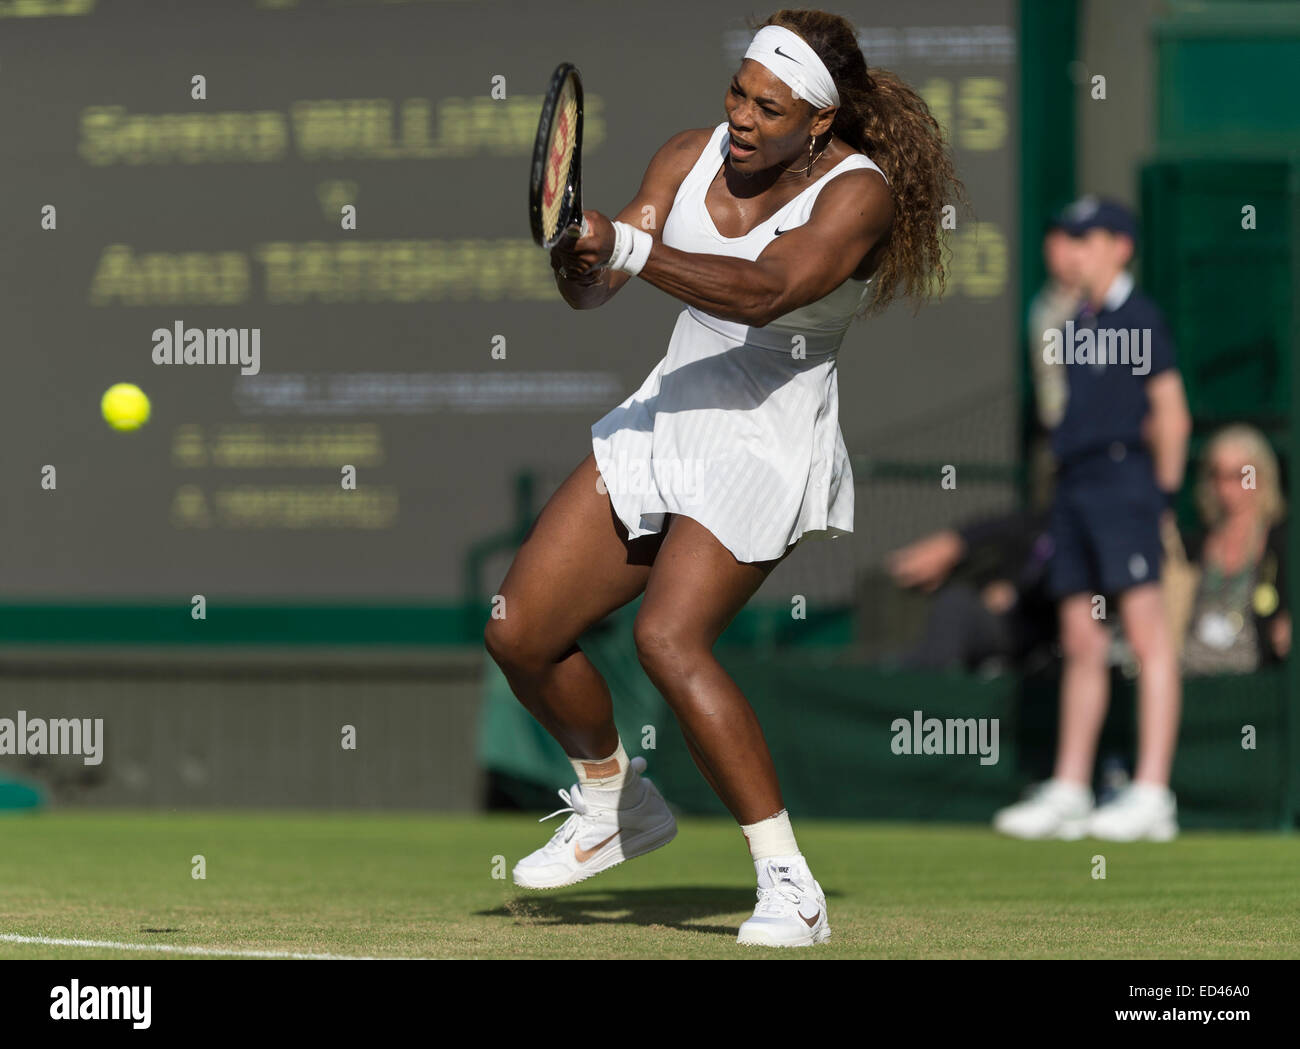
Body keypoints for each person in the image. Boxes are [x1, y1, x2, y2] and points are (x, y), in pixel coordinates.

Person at [484, 10, 961, 946]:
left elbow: (767, 289)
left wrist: (624, 244)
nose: (741, 114)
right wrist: (578, 255)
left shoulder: (857, 195)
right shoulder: (687, 154)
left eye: (767, 105)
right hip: (671, 411)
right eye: (737, 91)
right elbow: (599, 286)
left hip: (766, 436)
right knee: (520, 631)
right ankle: (616, 801)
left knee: (669, 638)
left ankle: (791, 884)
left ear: (818, 121)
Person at [993, 197, 1192, 842]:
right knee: (1082, 639)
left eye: (1086, 239)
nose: (1072, 251)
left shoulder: (1141, 316)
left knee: (1146, 635)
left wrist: (1159, 499)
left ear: (1120, 246)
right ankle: (1072, 787)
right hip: (1075, 488)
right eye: (1068, 238)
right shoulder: (1075, 323)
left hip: (1125, 485)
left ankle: (1152, 793)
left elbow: (1171, 413)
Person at [1178, 424, 1289, 675]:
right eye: (1218, 475)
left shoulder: (1283, 542)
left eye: (1239, 475)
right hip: (1192, 673)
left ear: (1262, 476)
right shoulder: (1194, 544)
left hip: (1256, 682)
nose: (1227, 488)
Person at [886, 510, 1054, 673]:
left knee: (956, 608)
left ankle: (930, 688)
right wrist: (955, 543)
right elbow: (1011, 526)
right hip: (1009, 620)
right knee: (955, 601)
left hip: (1041, 630)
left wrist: (1018, 594)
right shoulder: (1044, 524)